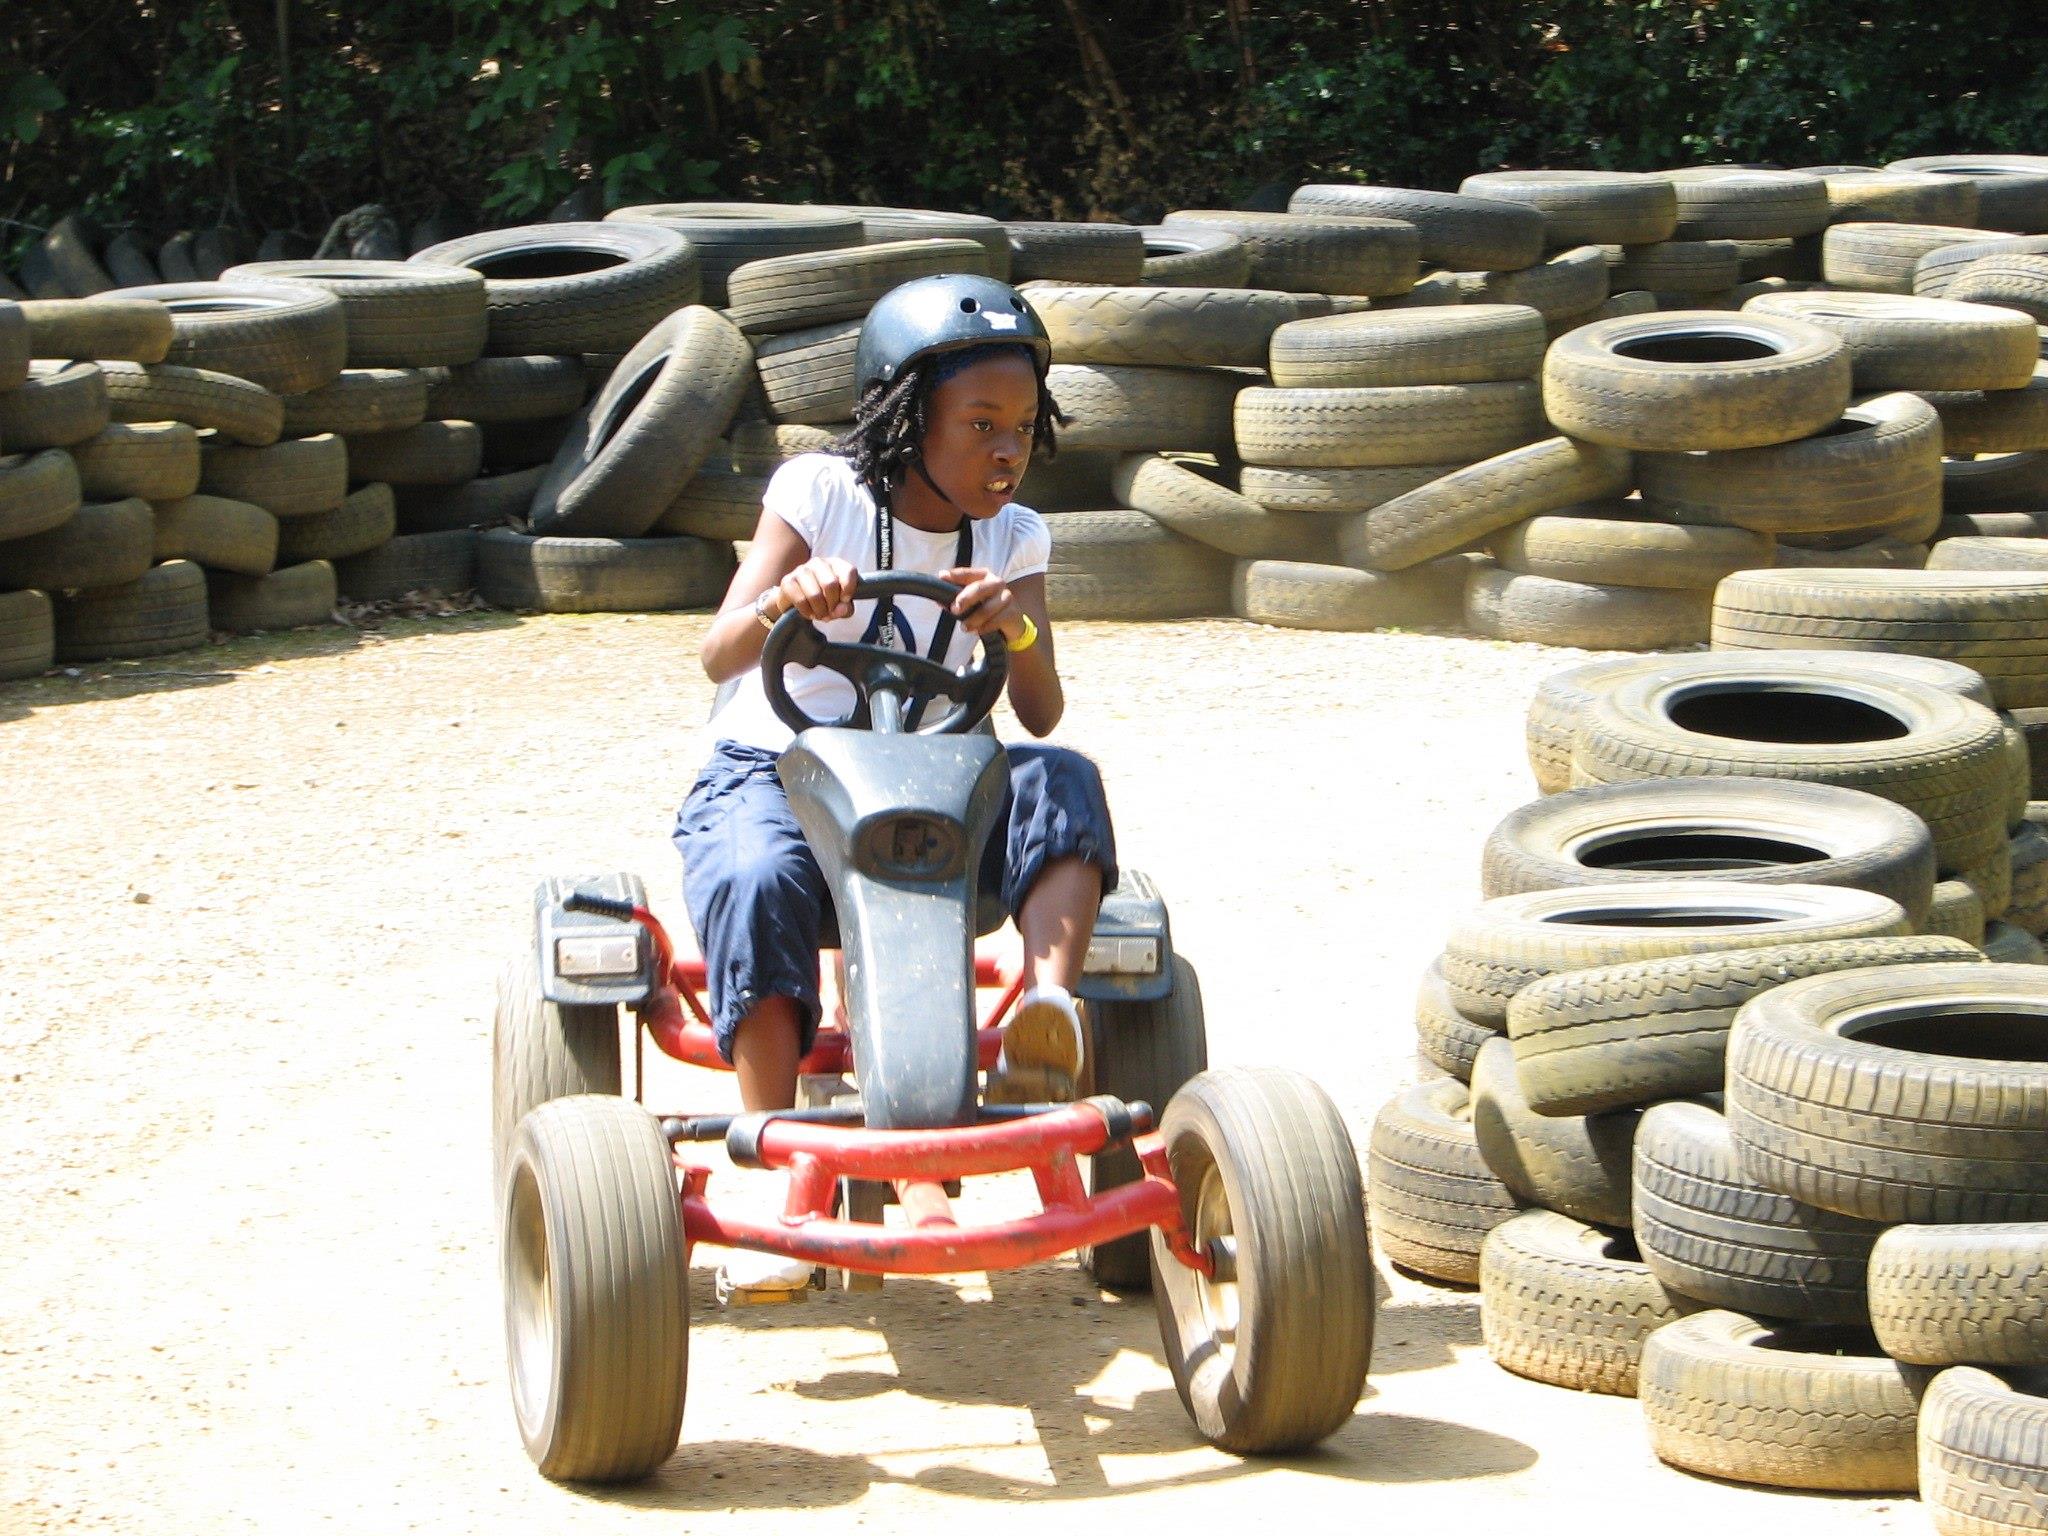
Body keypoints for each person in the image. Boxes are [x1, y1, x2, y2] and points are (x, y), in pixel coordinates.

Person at [674, 274, 1119, 1295]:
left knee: (1063, 779)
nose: (1006, 449)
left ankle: (1046, 1012)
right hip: (778, 770)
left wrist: (1010, 625)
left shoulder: (1016, 537)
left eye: (1021, 425)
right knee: (751, 874)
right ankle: (769, 1145)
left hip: (933, 779)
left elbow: (1041, 711)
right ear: (907, 416)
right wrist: (789, 594)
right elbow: (717, 653)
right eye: (979, 423)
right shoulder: (819, 492)